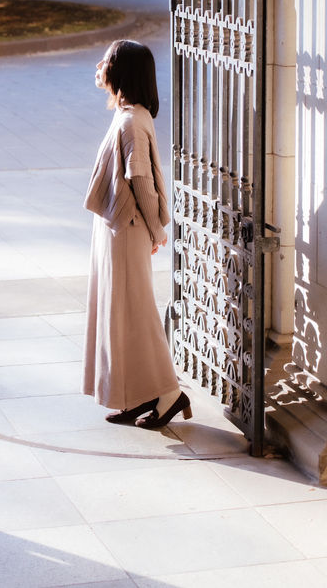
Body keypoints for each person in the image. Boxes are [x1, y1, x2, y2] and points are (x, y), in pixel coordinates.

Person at [82, 39, 192, 428]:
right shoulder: (132, 115)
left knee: (136, 313)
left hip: (127, 231)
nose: (100, 65)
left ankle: (168, 394)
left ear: (122, 72)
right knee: (122, 315)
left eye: (107, 61)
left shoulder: (131, 121)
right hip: (119, 229)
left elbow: (140, 179)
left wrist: (157, 229)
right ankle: (136, 395)